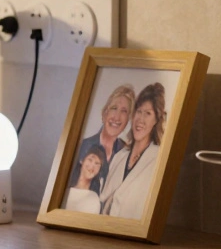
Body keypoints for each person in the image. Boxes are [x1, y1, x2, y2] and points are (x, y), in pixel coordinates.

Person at [100, 83, 165, 220]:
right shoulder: (120, 156)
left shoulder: (159, 159)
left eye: (148, 113)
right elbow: (104, 200)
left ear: (156, 120)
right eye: (139, 111)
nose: (140, 119)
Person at [68, 84, 134, 191]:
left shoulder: (126, 153)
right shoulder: (82, 146)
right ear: (104, 114)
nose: (117, 117)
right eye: (114, 108)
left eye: (124, 111)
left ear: (128, 120)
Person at [63, 144, 106, 213]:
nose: (92, 166)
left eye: (97, 163)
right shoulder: (64, 190)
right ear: (82, 160)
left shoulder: (94, 199)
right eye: (90, 160)